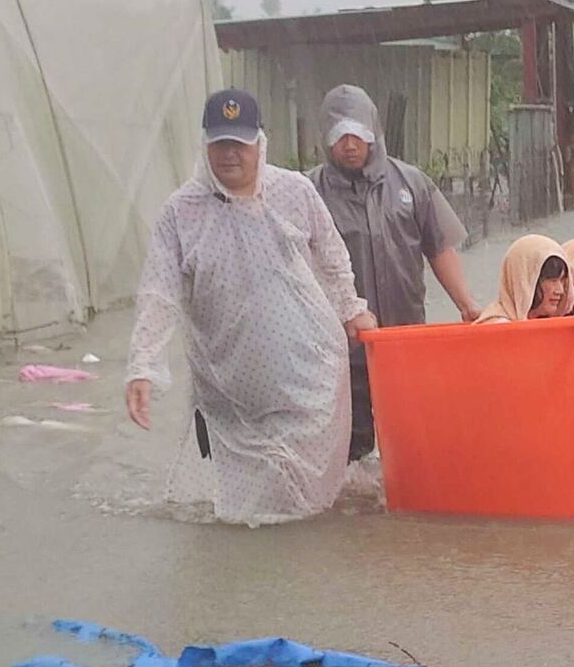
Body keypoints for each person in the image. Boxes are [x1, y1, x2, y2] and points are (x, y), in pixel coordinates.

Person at [124, 88, 376, 525]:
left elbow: (333, 256)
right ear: (205, 146)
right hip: (229, 388)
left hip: (307, 377)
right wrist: (143, 365)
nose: (229, 155)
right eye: (219, 144)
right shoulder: (180, 213)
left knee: (304, 505)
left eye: (239, 144)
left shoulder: (294, 192)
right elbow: (158, 292)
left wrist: (351, 308)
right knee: (243, 514)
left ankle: (295, 578)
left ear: (260, 143)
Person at [307, 85, 481, 460]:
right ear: (325, 139)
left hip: (405, 343)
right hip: (338, 352)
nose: (349, 145)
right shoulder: (306, 193)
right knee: (346, 455)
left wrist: (466, 303)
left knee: (412, 444)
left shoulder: (411, 183)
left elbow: (439, 247)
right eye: (339, 136)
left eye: (357, 134)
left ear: (373, 132)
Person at [475, 234, 574, 326]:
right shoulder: (495, 325)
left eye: (562, 280)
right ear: (525, 280)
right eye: (551, 280)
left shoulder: (545, 321)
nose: (560, 290)